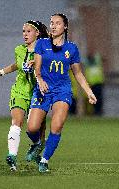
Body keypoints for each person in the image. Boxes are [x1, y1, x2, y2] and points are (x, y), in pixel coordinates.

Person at [25, 13, 97, 173]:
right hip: (43, 89)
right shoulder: (42, 44)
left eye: (57, 23)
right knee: (32, 128)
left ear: (65, 27)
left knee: (56, 126)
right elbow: (37, 69)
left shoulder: (71, 48)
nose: (53, 25)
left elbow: (78, 73)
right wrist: (40, 80)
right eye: (51, 23)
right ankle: (37, 144)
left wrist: (88, 91)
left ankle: (44, 160)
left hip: (62, 91)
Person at [0, 20, 49, 171]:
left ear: (37, 33)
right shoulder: (19, 49)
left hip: (38, 92)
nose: (25, 34)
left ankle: (37, 147)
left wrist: (38, 65)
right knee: (17, 120)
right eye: (23, 31)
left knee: (35, 129)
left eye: (28, 31)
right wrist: (2, 72)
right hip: (20, 90)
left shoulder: (45, 50)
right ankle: (12, 156)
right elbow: (17, 64)